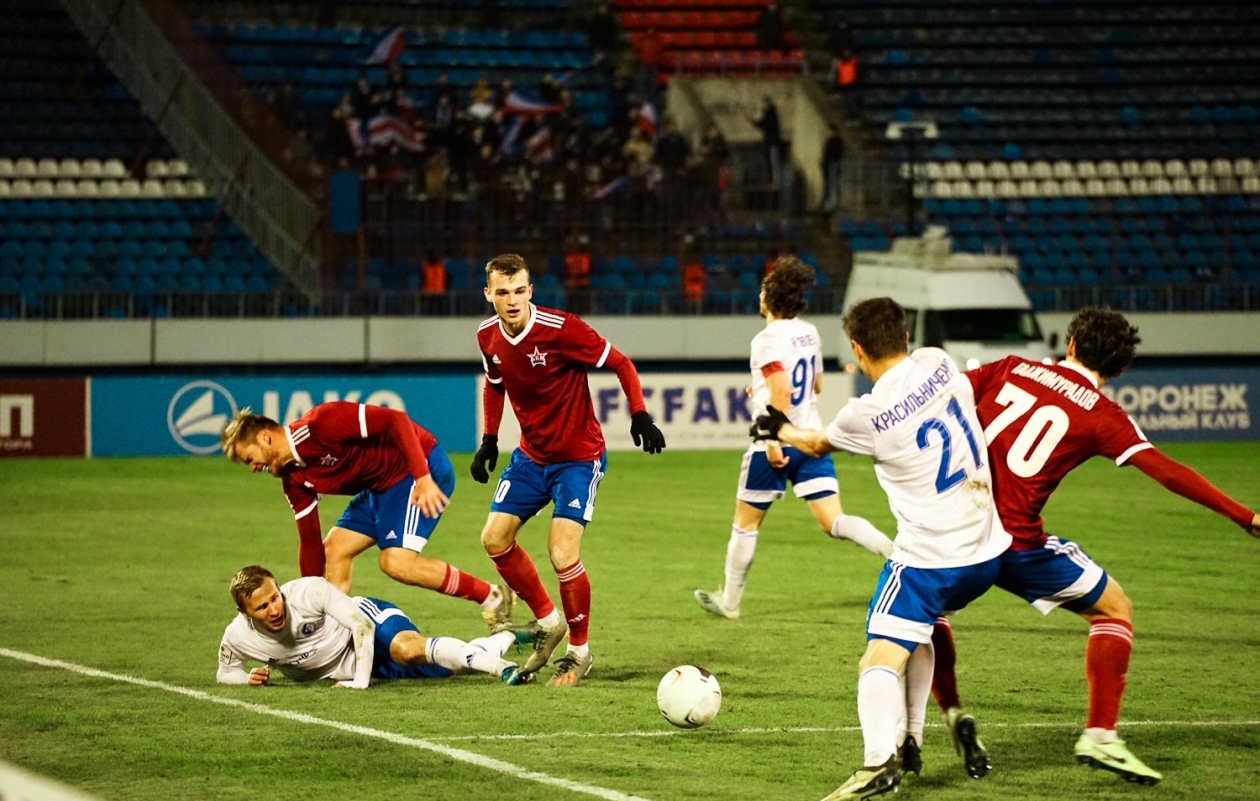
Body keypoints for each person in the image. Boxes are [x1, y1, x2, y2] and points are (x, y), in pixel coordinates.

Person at [927, 307, 1260, 784]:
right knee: (1113, 610)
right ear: (1119, 368)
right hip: (1018, 547)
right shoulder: (1103, 415)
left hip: (957, 532)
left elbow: (942, 398)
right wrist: (1244, 516)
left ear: (1072, 343)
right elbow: (1167, 472)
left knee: (927, 612)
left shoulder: (1009, 367)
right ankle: (1101, 735)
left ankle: (953, 711)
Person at [750, 296, 1011, 801]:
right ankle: (911, 737)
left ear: (856, 348)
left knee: (877, 658)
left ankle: (877, 762)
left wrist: (779, 429)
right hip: (986, 550)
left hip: (931, 557)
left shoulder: (864, 413)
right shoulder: (939, 361)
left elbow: (818, 444)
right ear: (907, 336)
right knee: (920, 627)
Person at [472, 254, 666, 687]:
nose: (512, 300)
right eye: (502, 292)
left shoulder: (562, 329)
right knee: (494, 538)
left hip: (578, 458)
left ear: (530, 290)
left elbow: (621, 363)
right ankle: (547, 621)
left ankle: (579, 651)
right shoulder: (487, 336)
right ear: (489, 295)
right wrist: (488, 440)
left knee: (562, 552)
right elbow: (496, 385)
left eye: (519, 290)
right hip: (530, 457)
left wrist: (640, 414)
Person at [695, 258, 893, 619]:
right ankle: (898, 556)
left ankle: (731, 604)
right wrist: (763, 391)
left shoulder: (766, 339)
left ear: (768, 298)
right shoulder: (810, 332)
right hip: (810, 436)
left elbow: (782, 388)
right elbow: (815, 384)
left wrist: (772, 439)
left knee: (745, 524)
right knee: (834, 521)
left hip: (775, 444)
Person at [219, 404, 514, 629]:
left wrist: (423, 478)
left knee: (395, 562)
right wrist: (307, 602)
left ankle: (493, 597)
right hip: (381, 487)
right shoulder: (293, 480)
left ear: (265, 437)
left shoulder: (321, 424)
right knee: (334, 549)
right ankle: (334, 639)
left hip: (416, 467)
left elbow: (395, 420)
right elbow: (310, 545)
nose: (253, 468)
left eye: (249, 458)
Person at [217, 566, 535, 688]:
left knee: (408, 650)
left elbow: (362, 627)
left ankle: (502, 668)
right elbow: (225, 673)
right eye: (262, 607)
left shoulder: (307, 592)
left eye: (275, 597)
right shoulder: (238, 636)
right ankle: (508, 636)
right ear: (244, 613)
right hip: (358, 664)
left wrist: (359, 683)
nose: (275, 609)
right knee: (453, 669)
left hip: (367, 625)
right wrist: (246, 678)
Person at [821, 127, 845, 212]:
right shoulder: (831, 141)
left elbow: (834, 154)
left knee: (833, 184)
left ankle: (833, 203)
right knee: (830, 184)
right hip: (829, 165)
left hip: (833, 164)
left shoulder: (835, 141)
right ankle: (831, 203)